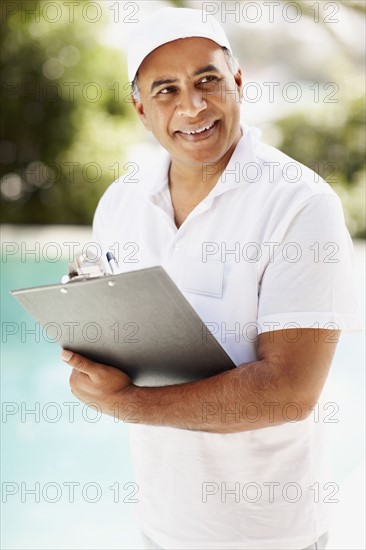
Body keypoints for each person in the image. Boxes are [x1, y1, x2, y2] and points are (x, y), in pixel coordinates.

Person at [61, 7, 361, 550]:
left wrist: (125, 403)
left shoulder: (300, 205)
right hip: (162, 527)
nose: (192, 106)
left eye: (207, 81)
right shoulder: (120, 203)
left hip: (271, 536)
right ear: (139, 109)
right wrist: (87, 355)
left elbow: (289, 392)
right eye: (166, 90)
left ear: (238, 82)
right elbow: (118, 336)